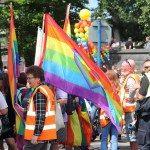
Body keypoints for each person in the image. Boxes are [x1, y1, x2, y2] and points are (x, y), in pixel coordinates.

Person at [23, 65, 57, 150]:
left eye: (30, 78)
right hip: (43, 135)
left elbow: (40, 115)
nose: (28, 80)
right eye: (27, 78)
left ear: (38, 78)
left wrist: (36, 134)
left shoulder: (39, 92)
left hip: (37, 136)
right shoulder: (45, 90)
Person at [120, 59, 139, 150]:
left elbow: (131, 90)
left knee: (132, 135)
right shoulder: (132, 77)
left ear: (129, 68)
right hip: (130, 109)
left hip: (131, 109)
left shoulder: (131, 78)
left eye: (124, 67)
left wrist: (130, 99)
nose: (122, 69)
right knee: (132, 135)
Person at [100, 70, 121, 150]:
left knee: (104, 139)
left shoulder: (103, 89)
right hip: (116, 116)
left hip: (105, 115)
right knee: (114, 139)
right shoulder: (119, 89)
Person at [135, 59, 150, 150]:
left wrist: (137, 88)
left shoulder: (146, 77)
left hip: (146, 113)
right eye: (146, 67)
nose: (148, 69)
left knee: (145, 141)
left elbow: (140, 96)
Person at [0, 73, 17, 150]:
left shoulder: (10, 92)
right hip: (1, 122)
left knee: (11, 143)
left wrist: (14, 123)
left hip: (8, 121)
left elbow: (12, 108)